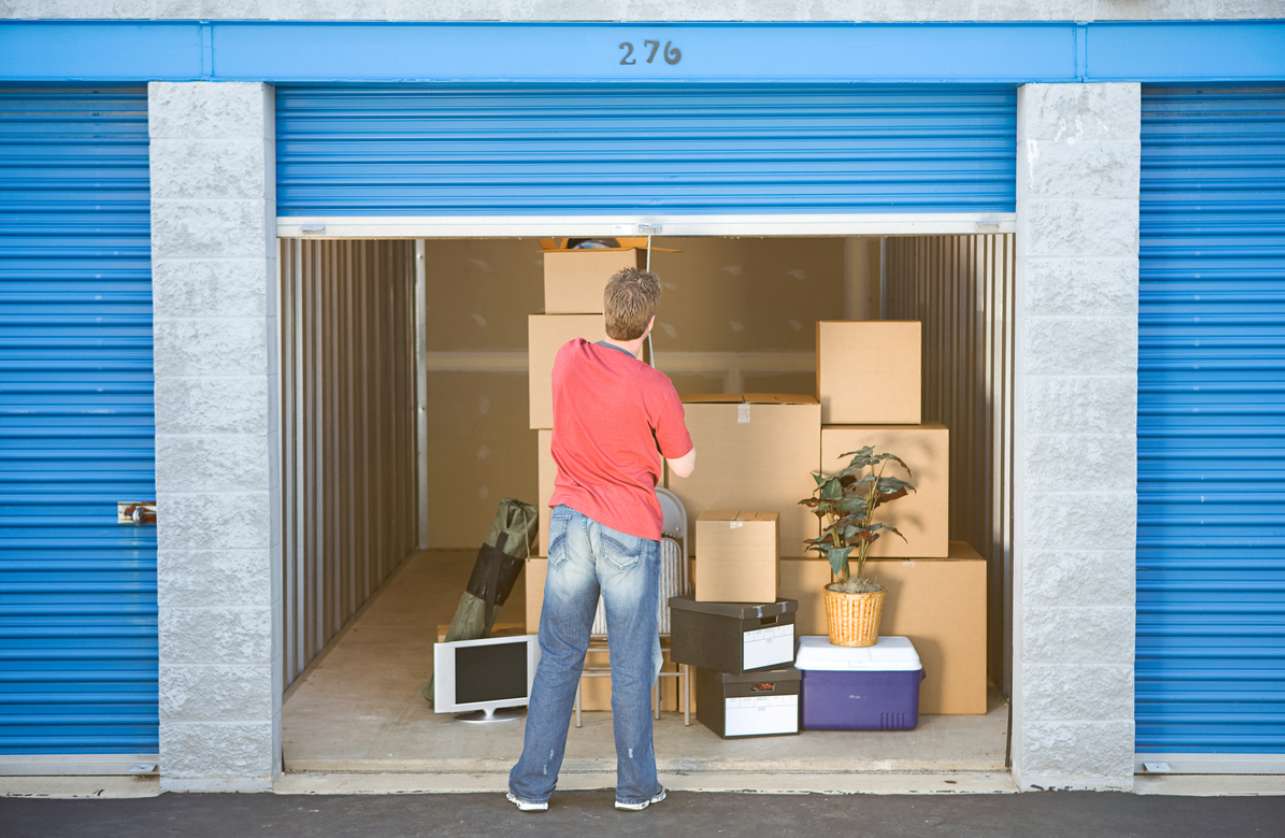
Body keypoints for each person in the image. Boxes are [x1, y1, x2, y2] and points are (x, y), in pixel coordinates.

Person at [508, 266, 696, 813]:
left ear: (605, 312)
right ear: (651, 323)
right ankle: (636, 788)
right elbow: (683, 467)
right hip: (628, 532)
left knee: (560, 654)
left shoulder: (569, 356)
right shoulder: (655, 386)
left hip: (570, 522)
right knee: (633, 661)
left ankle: (531, 787)